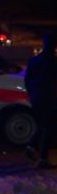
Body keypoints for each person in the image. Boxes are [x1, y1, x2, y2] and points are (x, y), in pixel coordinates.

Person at [24, 34, 57, 168]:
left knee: (43, 125)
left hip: (37, 97)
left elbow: (27, 79)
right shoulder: (54, 62)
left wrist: (32, 93)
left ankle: (31, 147)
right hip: (50, 98)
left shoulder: (34, 61)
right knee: (49, 127)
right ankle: (42, 158)